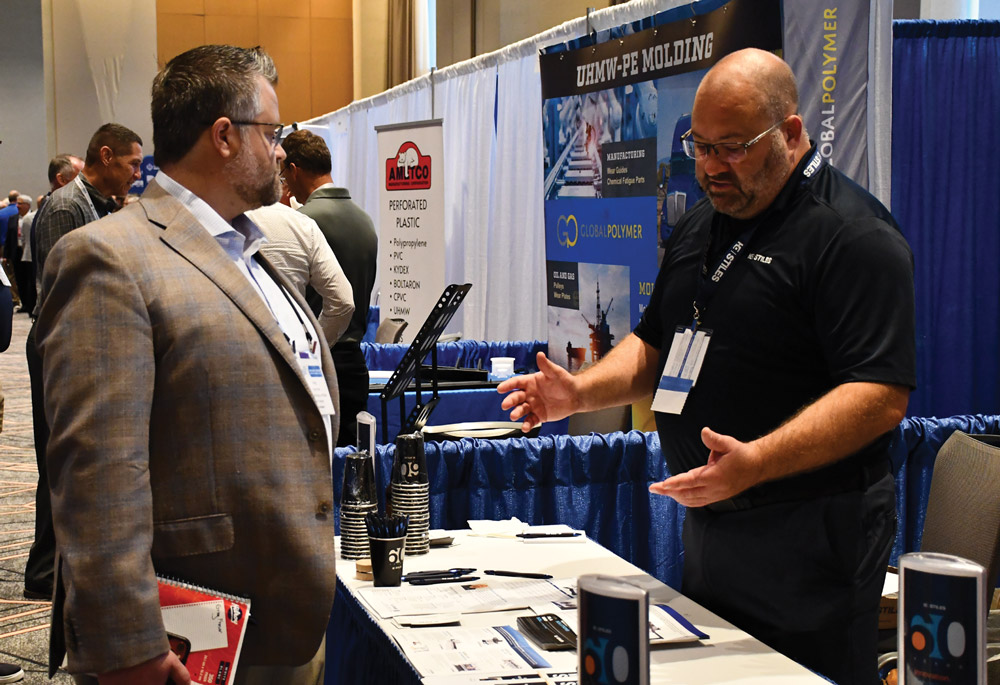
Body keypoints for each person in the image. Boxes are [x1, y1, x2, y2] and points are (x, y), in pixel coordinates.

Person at [498, 48, 915, 685]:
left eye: (733, 148)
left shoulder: (853, 236)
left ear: (792, 134)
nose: (711, 167)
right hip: (715, 520)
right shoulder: (702, 222)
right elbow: (654, 345)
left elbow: (878, 393)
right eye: (700, 146)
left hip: (812, 529)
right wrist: (577, 393)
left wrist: (758, 463)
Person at [37, 44, 338, 684]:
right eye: (273, 133)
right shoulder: (109, 257)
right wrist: (130, 644)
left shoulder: (252, 253)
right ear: (224, 137)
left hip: (279, 622)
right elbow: (97, 473)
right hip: (183, 644)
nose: (282, 151)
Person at [23, 127, 142, 602]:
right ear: (106, 156)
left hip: (77, 344)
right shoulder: (69, 206)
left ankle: (58, 567)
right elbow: (61, 291)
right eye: (132, 164)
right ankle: (44, 574)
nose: (138, 174)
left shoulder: (98, 203)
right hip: (58, 345)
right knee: (58, 456)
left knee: (72, 457)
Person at [281, 129, 377, 448]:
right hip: (355, 365)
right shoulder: (365, 220)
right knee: (354, 469)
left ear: (292, 170)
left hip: (316, 362)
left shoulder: (301, 222)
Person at [246, 199, 355, 345]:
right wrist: (315, 348)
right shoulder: (303, 225)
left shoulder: (218, 221)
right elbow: (343, 301)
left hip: (235, 351)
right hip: (294, 353)